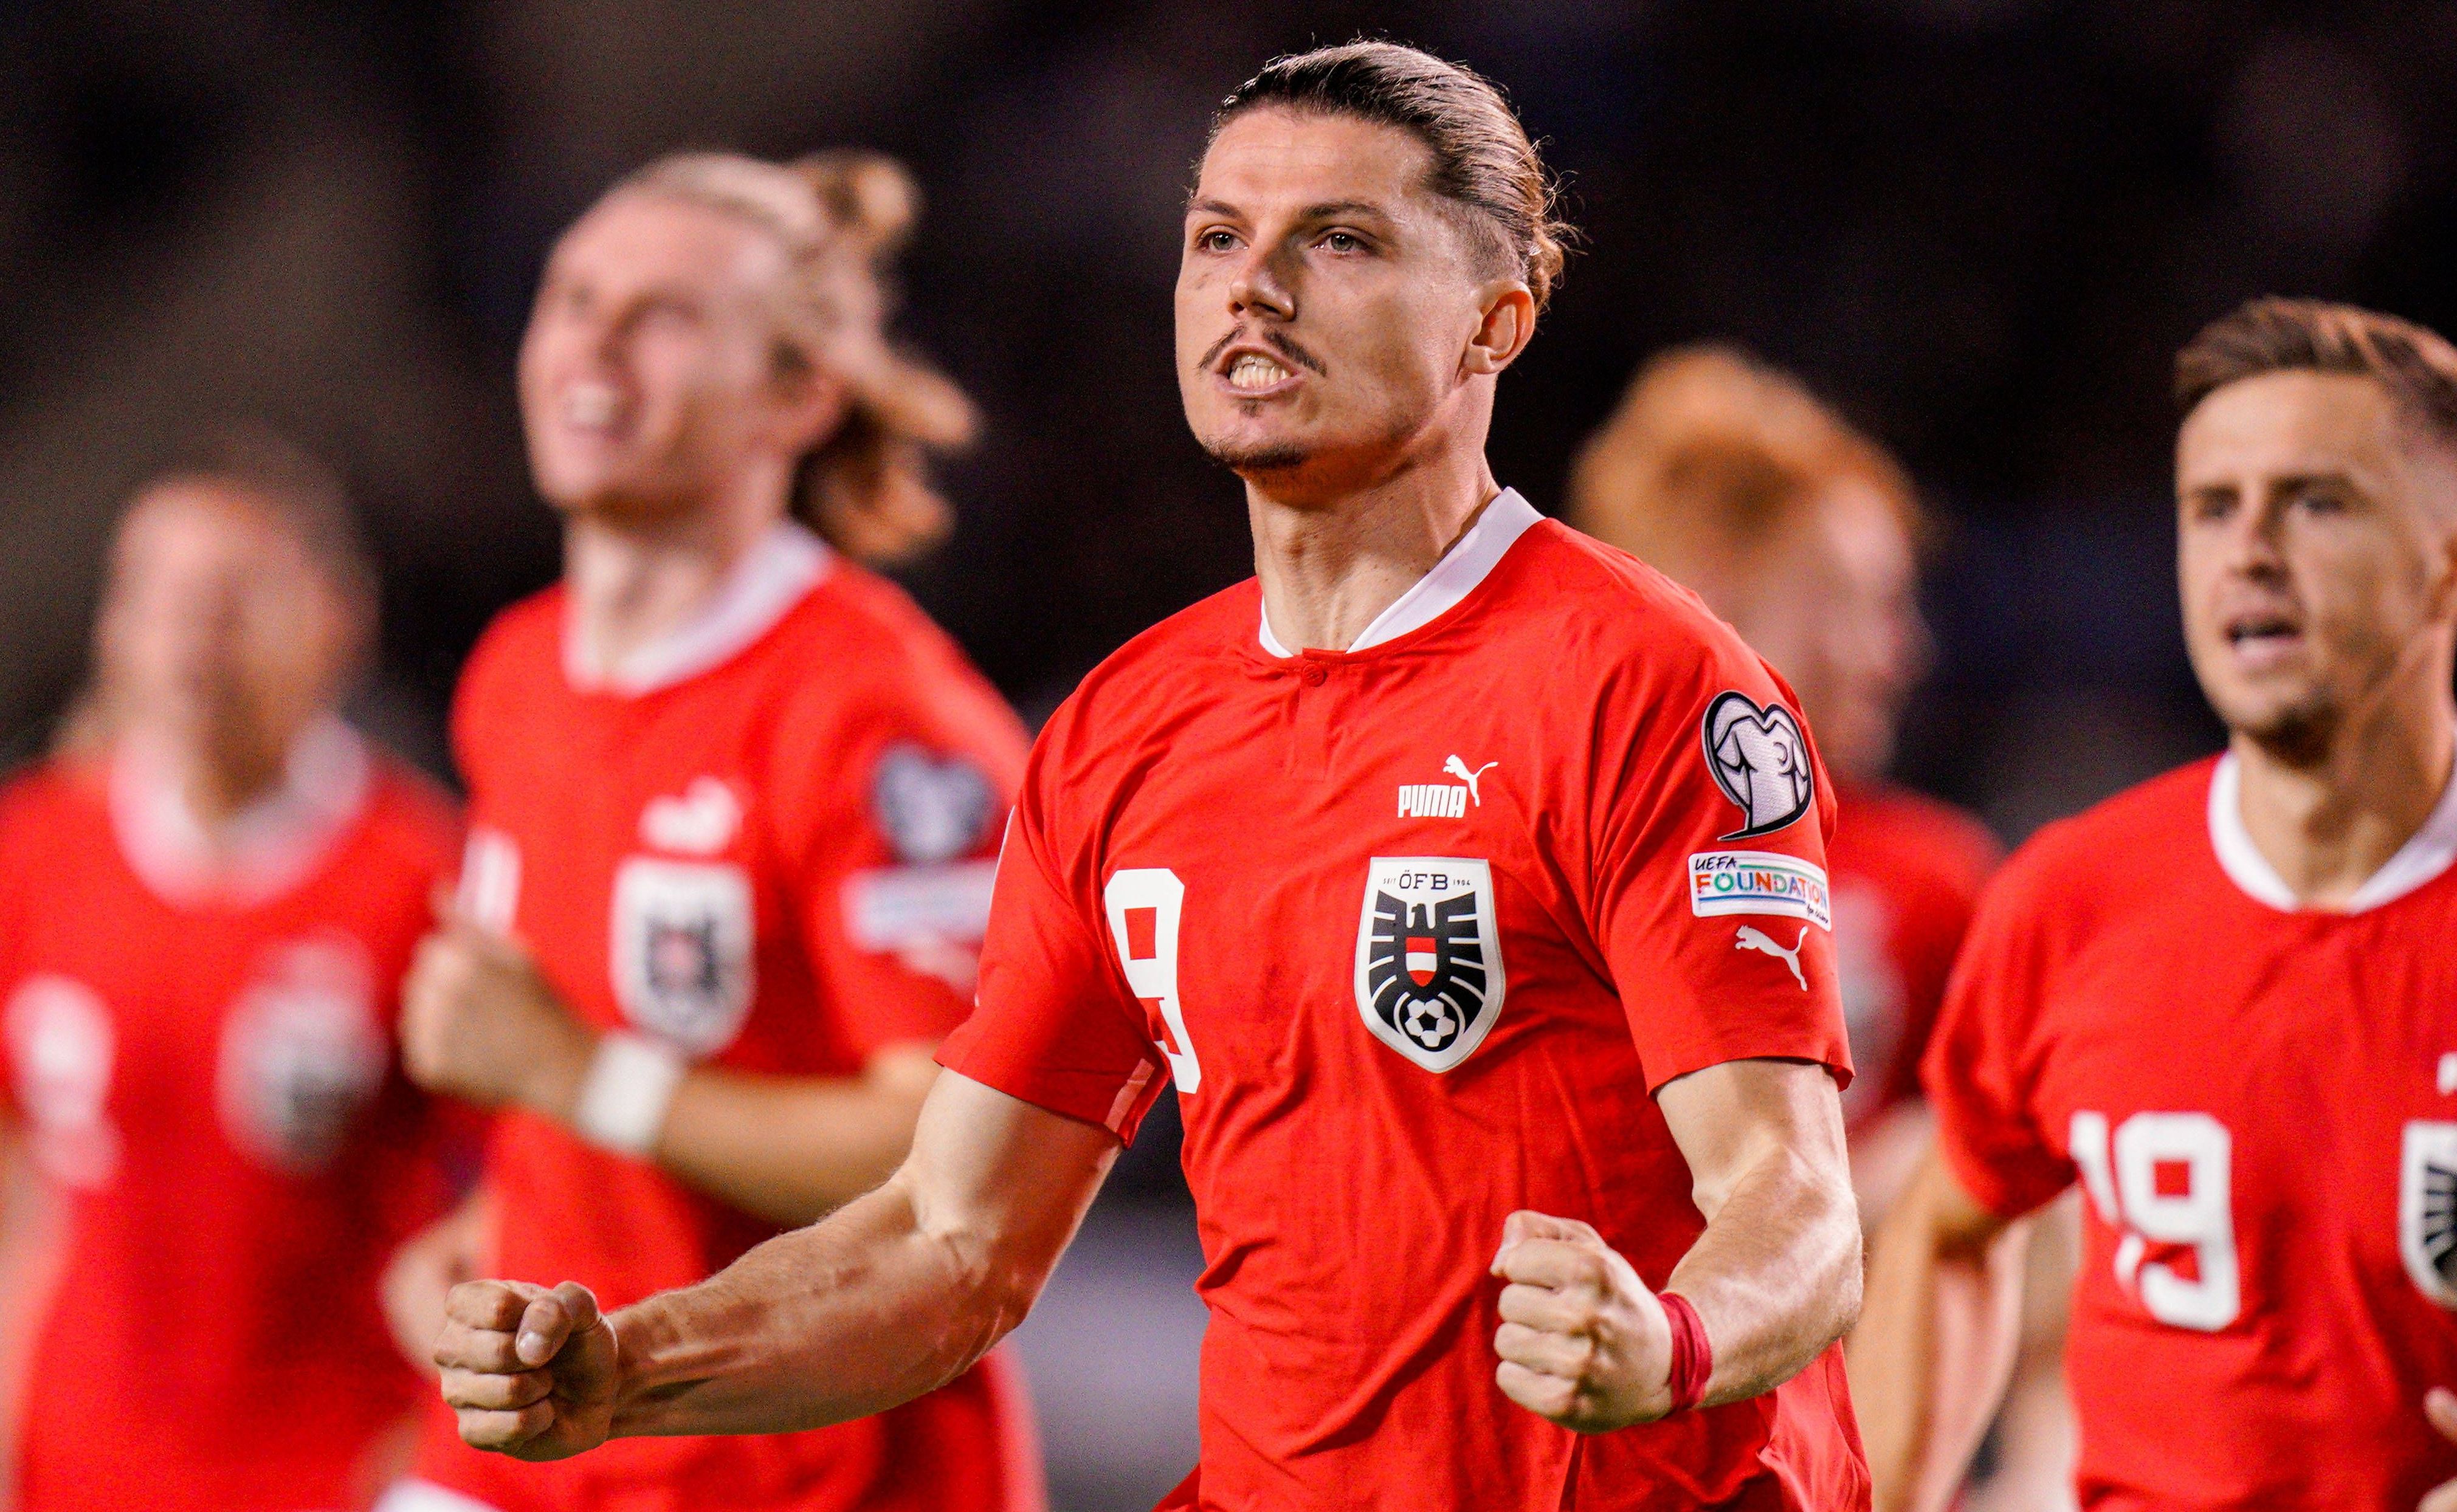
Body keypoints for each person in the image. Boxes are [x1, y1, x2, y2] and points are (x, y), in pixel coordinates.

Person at [432, 41, 1872, 1512]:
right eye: (1216, 237)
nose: (1254, 285)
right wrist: (630, 1368)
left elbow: (1795, 1197)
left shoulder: (1641, 684)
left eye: (1342, 240)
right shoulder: (1125, 731)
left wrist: (1674, 1340)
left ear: (1493, 321)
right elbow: (950, 1238)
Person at [1848, 298, 2457, 1512]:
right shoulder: (2071, 899)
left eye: (2317, 502)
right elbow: (1948, 1228)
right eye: (2211, 506)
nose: (2248, 548)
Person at [374, 148, 1039, 1512]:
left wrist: (579, 1077)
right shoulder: (518, 670)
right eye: (573, 296)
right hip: (539, 1435)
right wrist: (492, 1220)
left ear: (796, 396)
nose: (595, 340)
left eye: (664, 314)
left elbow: (959, 1157)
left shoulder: (883, 721)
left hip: (799, 1463)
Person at [1572, 348, 2076, 1512]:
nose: (1903, 653)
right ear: (1716, 589)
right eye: (1861, 600)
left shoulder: (1934, 879)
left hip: (1845, 1430)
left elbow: (2048, 1201)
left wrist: (2050, 1464)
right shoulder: (1551, 842)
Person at [0, 435, 469, 1510]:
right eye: (156, 596)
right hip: (79, 1465)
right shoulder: (33, 851)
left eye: (232, 597)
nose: (190, 638)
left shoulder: (423, 880)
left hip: (333, 1466)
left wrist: (441, 1451)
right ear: (112, 626)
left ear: (337, 620)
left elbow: (520, 1193)